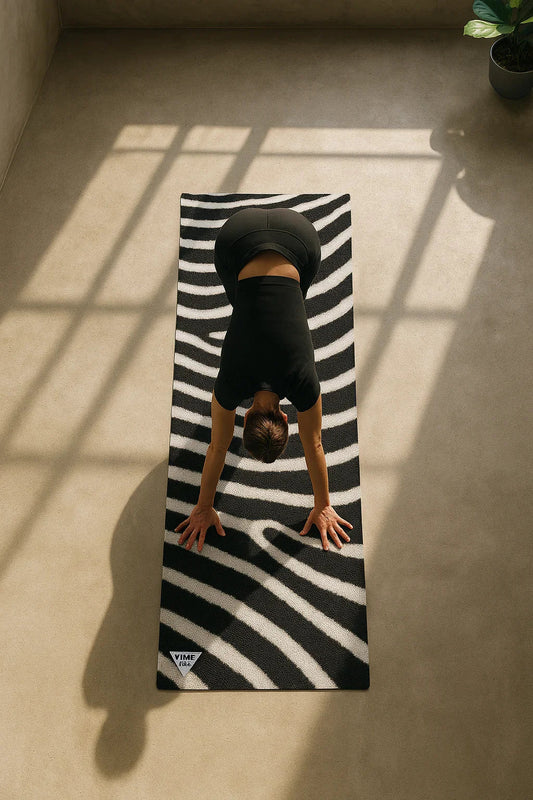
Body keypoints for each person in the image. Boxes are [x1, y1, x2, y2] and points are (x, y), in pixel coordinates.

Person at [175, 206, 353, 554]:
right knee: (243, 295)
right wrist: (203, 508)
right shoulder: (231, 384)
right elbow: (218, 446)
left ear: (286, 418)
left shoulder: (302, 382)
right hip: (236, 235)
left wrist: (324, 505)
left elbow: (314, 443)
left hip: (300, 234)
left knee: (279, 294)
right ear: (245, 419)